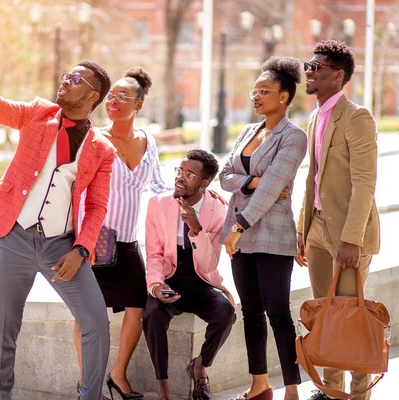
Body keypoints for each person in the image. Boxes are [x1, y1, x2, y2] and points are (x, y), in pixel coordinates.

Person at [0, 31, 115, 400]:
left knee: (96, 322)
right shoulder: (36, 114)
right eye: (66, 75)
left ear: (92, 96)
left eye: (75, 79)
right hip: (13, 238)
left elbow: (96, 207)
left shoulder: (102, 149)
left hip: (61, 248)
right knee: (3, 333)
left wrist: (81, 250)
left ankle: (89, 397)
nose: (65, 80)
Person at [72, 67, 169, 400]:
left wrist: (194, 194)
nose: (112, 101)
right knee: (87, 312)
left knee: (137, 307)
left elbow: (158, 184)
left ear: (138, 105)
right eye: (110, 96)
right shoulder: (94, 137)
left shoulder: (147, 140)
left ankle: (117, 374)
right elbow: (79, 187)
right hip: (94, 242)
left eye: (121, 96)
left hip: (127, 242)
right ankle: (89, 385)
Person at [295, 40, 380, 400]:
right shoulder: (316, 116)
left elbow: (365, 183)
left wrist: (351, 239)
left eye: (316, 67)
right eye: (308, 66)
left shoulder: (357, 117)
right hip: (316, 229)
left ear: (338, 75)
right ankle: (332, 391)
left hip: (347, 234)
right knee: (326, 318)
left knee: (352, 318)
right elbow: (313, 178)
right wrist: (303, 231)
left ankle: (359, 395)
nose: (309, 73)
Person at [220, 56, 307, 400]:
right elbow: (224, 177)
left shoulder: (294, 136)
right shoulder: (248, 131)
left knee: (277, 313)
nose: (256, 97)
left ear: (284, 96)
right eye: (254, 91)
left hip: (270, 237)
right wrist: (253, 180)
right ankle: (259, 384)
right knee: (251, 312)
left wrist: (238, 226)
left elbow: (275, 188)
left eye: (264, 91)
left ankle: (291, 389)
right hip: (240, 238)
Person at [143, 150, 236, 400]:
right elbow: (154, 254)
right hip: (168, 279)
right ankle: (163, 387)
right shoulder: (158, 204)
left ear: (205, 182)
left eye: (189, 174)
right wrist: (155, 286)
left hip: (200, 282)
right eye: (179, 171)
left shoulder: (219, 211)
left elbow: (209, 265)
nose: (180, 178)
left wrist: (196, 229)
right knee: (151, 314)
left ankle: (200, 366)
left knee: (226, 313)